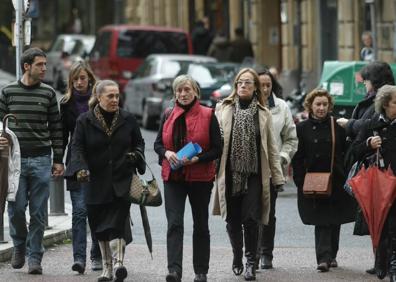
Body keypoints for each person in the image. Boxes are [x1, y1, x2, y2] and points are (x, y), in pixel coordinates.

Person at [65, 80, 145, 282]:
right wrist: (80, 167)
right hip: (94, 180)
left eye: (117, 96)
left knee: (117, 223)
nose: (115, 100)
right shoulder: (85, 120)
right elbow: (77, 147)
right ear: (98, 97)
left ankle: (118, 264)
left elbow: (139, 143)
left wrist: (136, 155)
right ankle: (107, 269)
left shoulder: (128, 119)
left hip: (121, 179)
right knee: (99, 224)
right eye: (110, 96)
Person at [212, 68, 284, 281]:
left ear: (255, 88)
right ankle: (237, 256)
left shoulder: (263, 113)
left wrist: (277, 177)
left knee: (251, 218)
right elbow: (214, 142)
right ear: (235, 86)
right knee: (232, 219)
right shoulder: (222, 109)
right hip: (229, 172)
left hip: (255, 173)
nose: (243, 86)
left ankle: (251, 261)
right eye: (240, 82)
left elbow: (271, 147)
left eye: (248, 83)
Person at [0, 47, 64, 275]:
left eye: (45, 64)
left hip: (41, 159)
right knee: (16, 209)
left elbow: (56, 129)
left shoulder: (48, 93)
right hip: (15, 162)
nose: (45, 68)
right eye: (40, 64)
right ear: (27, 66)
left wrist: (58, 160)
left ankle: (35, 256)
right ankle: (19, 246)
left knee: (38, 213)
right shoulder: (8, 92)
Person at [154, 74, 221, 282]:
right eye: (179, 90)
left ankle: (201, 271)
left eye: (187, 90)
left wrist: (197, 159)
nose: (183, 94)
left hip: (200, 178)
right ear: (174, 93)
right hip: (173, 176)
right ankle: (174, 270)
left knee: (200, 224)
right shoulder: (167, 114)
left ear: (195, 92)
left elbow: (218, 149)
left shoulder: (209, 114)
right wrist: (166, 153)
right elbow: (157, 144)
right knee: (174, 223)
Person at [292, 89, 356, 272]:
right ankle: (323, 258)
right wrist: (299, 179)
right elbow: (297, 157)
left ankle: (332, 255)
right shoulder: (302, 128)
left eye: (324, 104)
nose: (321, 108)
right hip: (313, 180)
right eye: (317, 104)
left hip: (336, 179)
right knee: (321, 220)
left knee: (334, 219)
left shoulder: (338, 126)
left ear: (329, 106)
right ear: (310, 106)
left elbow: (348, 151)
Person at [60, 61, 102, 274]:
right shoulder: (66, 103)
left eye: (82, 78)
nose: (79, 82)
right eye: (75, 79)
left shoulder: (99, 102)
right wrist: (58, 160)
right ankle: (79, 258)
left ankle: (97, 253)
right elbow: (61, 136)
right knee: (79, 212)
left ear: (90, 79)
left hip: (98, 163)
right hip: (75, 162)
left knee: (95, 210)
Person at [352, 84, 396, 282]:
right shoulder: (371, 124)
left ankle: (393, 263)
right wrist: (368, 143)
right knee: (382, 223)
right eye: (395, 102)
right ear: (385, 104)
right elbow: (354, 150)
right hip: (379, 183)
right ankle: (381, 262)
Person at [256, 69, 298, 270]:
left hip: (272, 170)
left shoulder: (281, 107)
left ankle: (266, 253)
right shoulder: (246, 105)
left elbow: (291, 138)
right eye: (261, 85)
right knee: (248, 213)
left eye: (268, 85)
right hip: (249, 169)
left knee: (268, 212)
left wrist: (282, 159)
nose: (264, 89)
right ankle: (251, 253)